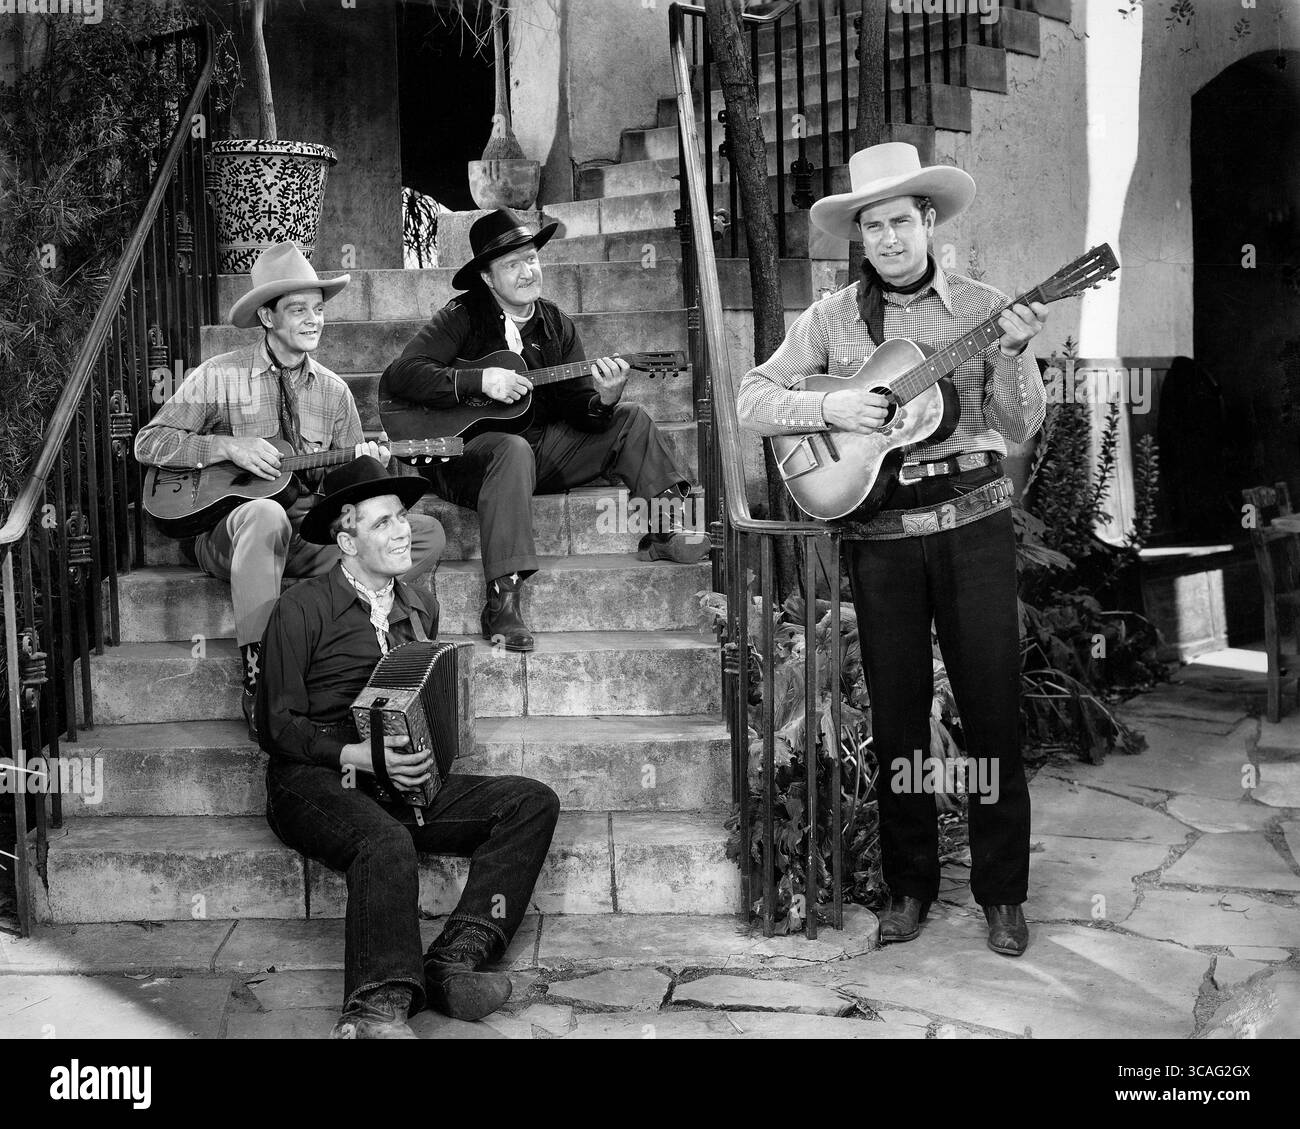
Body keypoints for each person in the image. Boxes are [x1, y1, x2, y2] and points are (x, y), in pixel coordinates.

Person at [737, 143, 1049, 957]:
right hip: (878, 536)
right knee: (900, 717)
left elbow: (1018, 426)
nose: (888, 238)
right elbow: (752, 398)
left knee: (990, 715)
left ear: (929, 222)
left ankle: (1002, 894)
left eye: (900, 221)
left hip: (972, 526)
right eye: (872, 225)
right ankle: (910, 886)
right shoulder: (833, 319)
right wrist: (838, 404)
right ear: (861, 235)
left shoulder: (984, 307)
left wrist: (1014, 354)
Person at [256, 456, 561, 1038]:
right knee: (384, 841)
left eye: (402, 517)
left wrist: (422, 756)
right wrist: (360, 757)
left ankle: (454, 962)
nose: (401, 532)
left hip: (395, 778)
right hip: (314, 780)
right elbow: (276, 726)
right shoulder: (300, 609)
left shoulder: (419, 604)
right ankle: (376, 1010)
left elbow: (422, 695)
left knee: (530, 802)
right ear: (346, 541)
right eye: (381, 524)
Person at [135, 242, 446, 738]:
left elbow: (347, 495)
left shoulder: (334, 391)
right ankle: (261, 675)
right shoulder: (220, 375)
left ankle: (346, 624)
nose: (313, 320)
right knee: (264, 514)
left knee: (424, 532)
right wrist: (226, 448)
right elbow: (149, 443)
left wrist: (371, 467)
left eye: (318, 310)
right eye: (298, 309)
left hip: (308, 534)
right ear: (266, 315)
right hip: (230, 533)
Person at [380, 208, 707, 653]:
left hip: (538, 452)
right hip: (464, 457)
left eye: (531, 258)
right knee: (511, 448)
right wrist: (478, 381)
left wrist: (604, 399)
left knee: (631, 417)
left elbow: (577, 407)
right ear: (489, 279)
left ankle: (664, 530)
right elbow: (401, 377)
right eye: (512, 264)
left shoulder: (555, 324)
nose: (527, 270)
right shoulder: (461, 316)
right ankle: (502, 600)